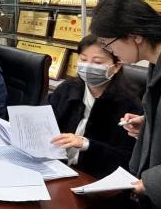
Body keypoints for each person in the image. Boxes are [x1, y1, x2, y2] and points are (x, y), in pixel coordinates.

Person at [90, 0, 161, 209]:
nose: (110, 52)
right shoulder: (160, 60)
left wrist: (155, 182)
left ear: (134, 37)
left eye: (108, 44)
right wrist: (149, 124)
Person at [49, 34, 142, 178]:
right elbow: (46, 123)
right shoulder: (67, 89)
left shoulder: (129, 104)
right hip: (57, 168)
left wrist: (87, 144)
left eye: (97, 62)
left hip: (95, 178)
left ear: (116, 66)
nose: (87, 67)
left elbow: (128, 160)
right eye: (83, 59)